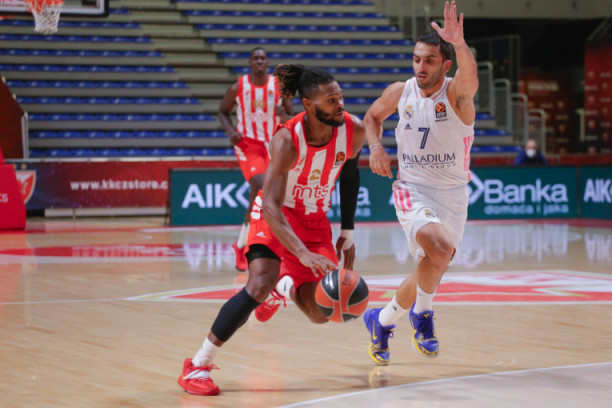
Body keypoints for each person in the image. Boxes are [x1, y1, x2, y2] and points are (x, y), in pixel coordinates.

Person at [178, 64, 366, 395]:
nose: (341, 104)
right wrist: (302, 253)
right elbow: (270, 206)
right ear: (308, 105)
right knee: (259, 282)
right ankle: (198, 365)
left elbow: (350, 175)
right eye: (331, 100)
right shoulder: (287, 140)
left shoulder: (354, 130)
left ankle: (285, 286)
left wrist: (347, 233)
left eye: (341, 97)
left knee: (322, 311)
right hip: (276, 213)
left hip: (315, 220)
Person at [361, 0, 479, 366]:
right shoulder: (402, 92)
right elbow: (371, 117)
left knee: (432, 263)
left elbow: (471, 77)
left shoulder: (456, 95)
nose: (420, 67)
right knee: (439, 250)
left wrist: (459, 44)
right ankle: (423, 315)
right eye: (416, 59)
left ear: (445, 65)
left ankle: (382, 320)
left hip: (453, 195)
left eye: (429, 60)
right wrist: (376, 147)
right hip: (412, 189)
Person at [218, 47, 293, 272]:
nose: (260, 61)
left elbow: (291, 114)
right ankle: (245, 245)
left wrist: (284, 115)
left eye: (263, 58)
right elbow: (222, 112)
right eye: (256, 58)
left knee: (273, 195)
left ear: (267, 63)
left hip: (273, 144)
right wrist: (231, 131)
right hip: (248, 145)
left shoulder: (278, 86)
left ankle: (244, 243)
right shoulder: (238, 87)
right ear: (250, 63)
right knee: (260, 185)